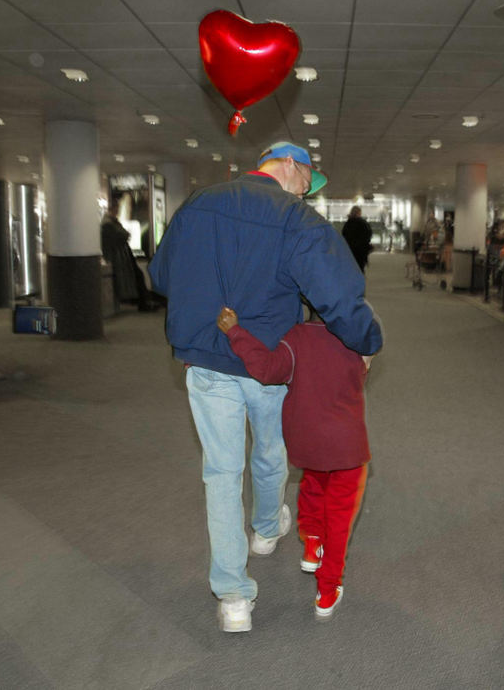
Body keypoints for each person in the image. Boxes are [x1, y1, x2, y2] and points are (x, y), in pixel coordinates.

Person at [148, 142, 382, 633]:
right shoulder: (296, 220)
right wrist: (367, 340)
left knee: (221, 473)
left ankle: (233, 596)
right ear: (292, 167)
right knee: (272, 451)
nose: (307, 193)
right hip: (270, 361)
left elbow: (163, 274)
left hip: (208, 360)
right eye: (307, 183)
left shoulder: (197, 203)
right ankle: (266, 531)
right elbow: (337, 293)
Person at [217, 303, 371, 621]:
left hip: (306, 440)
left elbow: (267, 368)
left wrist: (236, 332)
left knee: (313, 482)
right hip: (346, 446)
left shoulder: (296, 336)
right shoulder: (358, 339)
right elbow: (364, 366)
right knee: (340, 518)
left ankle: (312, 544)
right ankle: (327, 591)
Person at [100, 201, 157, 312]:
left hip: (123, 256)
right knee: (138, 276)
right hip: (119, 258)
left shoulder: (111, 222)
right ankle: (144, 303)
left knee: (138, 276)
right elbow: (124, 235)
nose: (117, 211)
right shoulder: (108, 224)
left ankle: (144, 302)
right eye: (115, 209)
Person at [341, 206, 373, 272]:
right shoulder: (363, 223)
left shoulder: (348, 224)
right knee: (360, 268)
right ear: (359, 213)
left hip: (350, 250)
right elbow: (368, 235)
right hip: (360, 251)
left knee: (351, 269)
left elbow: (344, 235)